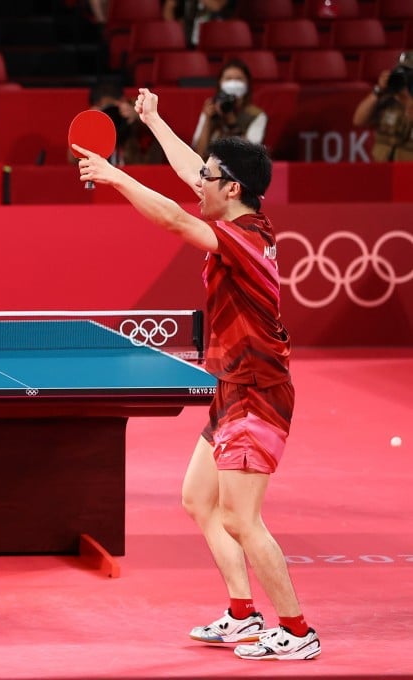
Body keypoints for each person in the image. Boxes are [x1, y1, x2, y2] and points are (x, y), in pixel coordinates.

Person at [72, 88, 320, 661]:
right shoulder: (236, 212)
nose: (198, 180)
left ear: (232, 188)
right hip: (232, 387)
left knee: (239, 515)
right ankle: (243, 613)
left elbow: (174, 220)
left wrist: (115, 177)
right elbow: (190, 175)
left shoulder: (247, 237)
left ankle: (298, 629)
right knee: (197, 500)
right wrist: (156, 122)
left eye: (210, 177)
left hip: (258, 391)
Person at [68, 82, 166, 166]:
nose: (110, 115)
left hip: (136, 176)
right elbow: (72, 159)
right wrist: (89, 124)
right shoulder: (92, 124)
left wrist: (139, 117)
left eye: (113, 108)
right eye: (106, 110)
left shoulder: (135, 114)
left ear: (122, 101)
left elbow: (163, 136)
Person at [192, 58, 266, 158]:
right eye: (228, 78)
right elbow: (199, 153)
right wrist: (208, 120)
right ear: (220, 83)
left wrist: (232, 122)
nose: (233, 83)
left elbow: (250, 154)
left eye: (239, 79)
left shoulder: (256, 115)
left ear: (247, 84)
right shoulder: (212, 107)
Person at [352, 50, 413, 162]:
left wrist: (407, 100)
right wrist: (378, 90)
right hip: (383, 168)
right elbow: (358, 120)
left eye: (408, 74)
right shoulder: (388, 98)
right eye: (400, 72)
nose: (404, 78)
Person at [163, 0, 235, 46]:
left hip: (214, 40)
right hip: (187, 40)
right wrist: (177, 29)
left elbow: (217, 6)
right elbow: (168, 10)